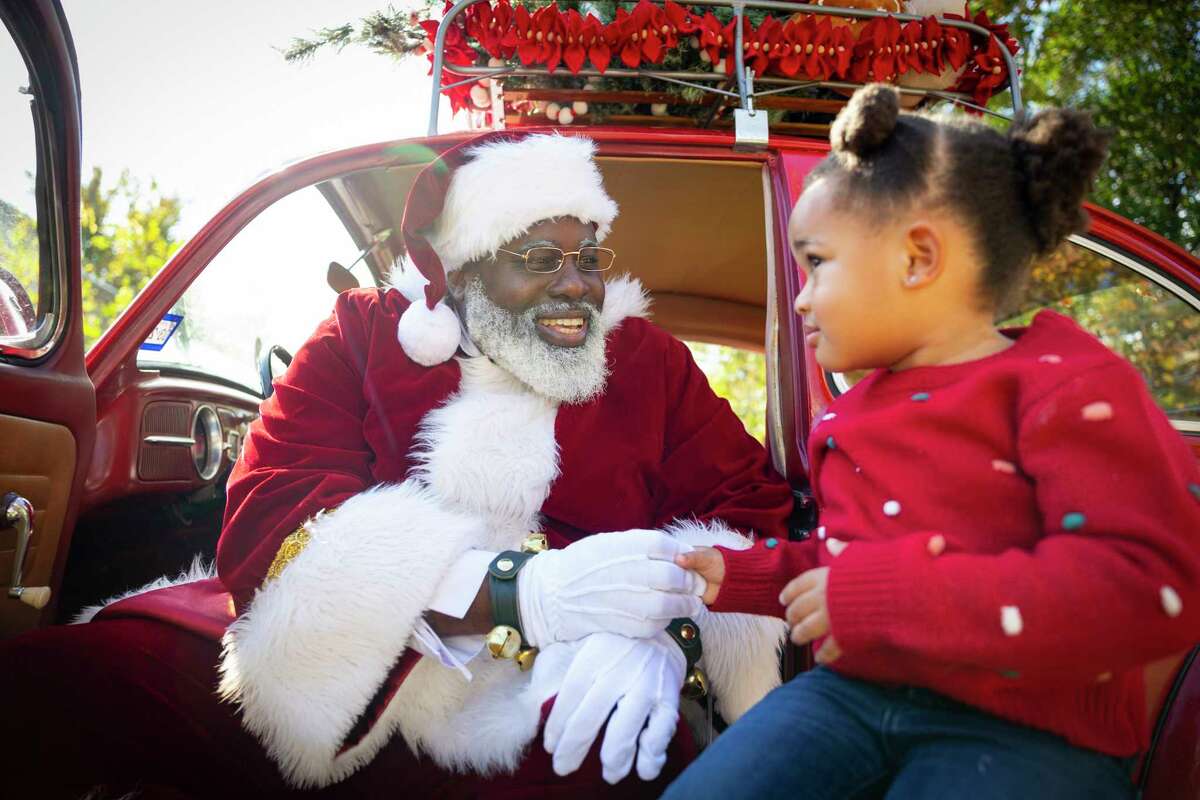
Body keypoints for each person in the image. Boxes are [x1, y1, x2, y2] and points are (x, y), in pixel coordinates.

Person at [0, 133, 791, 798]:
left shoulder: (648, 363)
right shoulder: (363, 334)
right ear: (464, 269)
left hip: (568, 674)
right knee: (57, 679)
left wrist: (669, 636)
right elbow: (274, 510)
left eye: (588, 256)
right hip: (350, 661)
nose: (578, 284)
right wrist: (515, 593)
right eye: (542, 258)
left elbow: (752, 513)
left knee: (616, 759)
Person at [667, 84, 1200, 799]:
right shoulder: (856, 414)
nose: (800, 297)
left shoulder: (1066, 385)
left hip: (1032, 728)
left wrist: (887, 600)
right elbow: (852, 563)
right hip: (853, 696)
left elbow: (1150, 585)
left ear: (918, 259)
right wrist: (743, 576)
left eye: (816, 263)